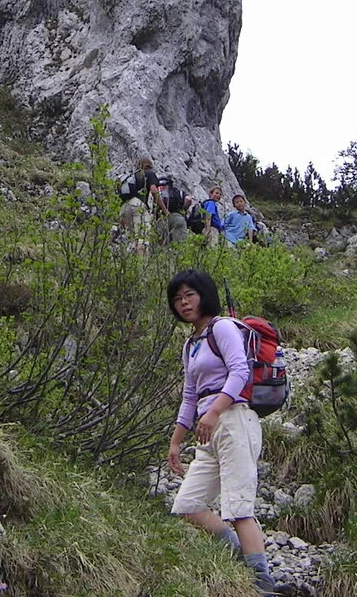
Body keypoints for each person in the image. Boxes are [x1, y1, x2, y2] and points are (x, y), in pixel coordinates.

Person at [166, 270, 276, 594]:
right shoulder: (191, 345)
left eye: (190, 295)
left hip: (234, 420)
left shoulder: (223, 328)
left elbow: (240, 370)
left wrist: (214, 412)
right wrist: (175, 443)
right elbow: (189, 396)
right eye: (177, 298)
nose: (184, 303)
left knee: (239, 506)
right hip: (209, 429)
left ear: (204, 295)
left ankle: (262, 585)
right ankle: (240, 564)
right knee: (187, 505)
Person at [118, 157, 161, 253]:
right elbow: (154, 190)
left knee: (132, 239)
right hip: (138, 205)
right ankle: (141, 265)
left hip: (125, 207)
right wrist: (163, 209)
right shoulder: (149, 174)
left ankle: (129, 263)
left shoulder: (132, 177)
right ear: (149, 165)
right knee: (143, 237)